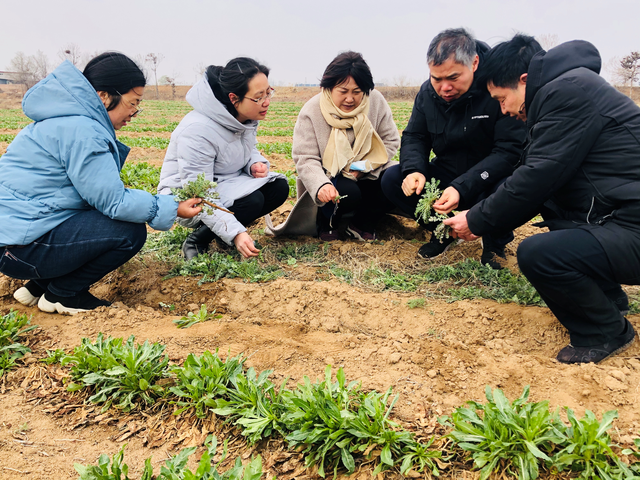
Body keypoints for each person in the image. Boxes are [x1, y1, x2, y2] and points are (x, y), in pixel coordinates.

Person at [445, 35, 640, 364]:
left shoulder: (565, 93)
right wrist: (479, 215)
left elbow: (536, 179)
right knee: (555, 207)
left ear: (523, 81)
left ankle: (605, 331)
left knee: (539, 254)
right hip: (622, 216)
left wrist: (474, 220)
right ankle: (609, 300)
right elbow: (535, 180)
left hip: (632, 224)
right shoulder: (568, 89)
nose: (504, 110)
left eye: (502, 98)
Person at [0, 53, 202, 315]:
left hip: (15, 241)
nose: (134, 112)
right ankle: (65, 294)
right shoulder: (83, 131)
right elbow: (113, 201)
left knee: (92, 217)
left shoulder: (63, 120)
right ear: (104, 96)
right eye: (133, 102)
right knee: (128, 233)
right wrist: (172, 208)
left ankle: (37, 287)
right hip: (20, 249)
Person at [380, 28, 525, 268]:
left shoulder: (497, 88)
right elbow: (415, 135)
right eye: (437, 78)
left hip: (489, 175)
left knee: (508, 189)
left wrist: (462, 187)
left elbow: (509, 151)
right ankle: (444, 229)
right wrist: (413, 170)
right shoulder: (428, 93)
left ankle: (494, 242)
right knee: (393, 179)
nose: (444, 87)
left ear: (474, 63)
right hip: (448, 171)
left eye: (453, 78)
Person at [158, 57, 288, 259]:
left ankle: (221, 234)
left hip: (226, 183)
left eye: (268, 92)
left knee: (278, 188)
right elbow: (199, 192)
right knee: (252, 201)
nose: (267, 101)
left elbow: (245, 149)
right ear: (234, 98)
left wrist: (254, 163)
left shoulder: (244, 117)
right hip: (189, 196)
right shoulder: (198, 130)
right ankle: (196, 240)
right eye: (259, 96)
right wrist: (236, 233)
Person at [285, 51, 400, 241]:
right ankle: (328, 222)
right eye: (343, 91)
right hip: (329, 174)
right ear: (328, 87)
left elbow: (390, 141)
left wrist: (363, 167)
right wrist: (321, 184)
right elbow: (305, 158)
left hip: (370, 169)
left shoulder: (376, 101)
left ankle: (362, 223)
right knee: (348, 192)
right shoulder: (312, 110)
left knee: (395, 180)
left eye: (357, 92)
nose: (350, 99)